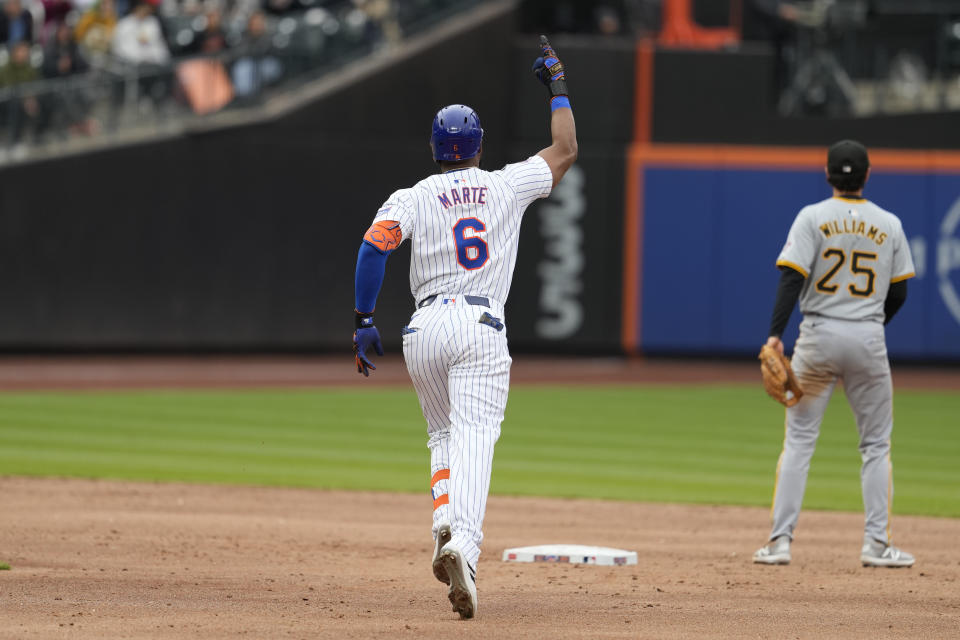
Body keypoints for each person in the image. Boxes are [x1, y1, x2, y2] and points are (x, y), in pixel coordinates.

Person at [351, 36, 577, 618]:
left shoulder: (413, 195)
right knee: (476, 436)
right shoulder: (506, 183)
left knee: (442, 437)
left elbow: (373, 249)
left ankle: (443, 522)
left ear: (434, 147)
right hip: (480, 323)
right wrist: (556, 84)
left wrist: (363, 319)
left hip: (422, 329)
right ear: (478, 147)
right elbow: (566, 148)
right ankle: (463, 547)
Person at [753, 140, 916, 568]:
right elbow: (898, 291)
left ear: (828, 175)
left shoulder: (813, 217)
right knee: (876, 445)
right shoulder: (889, 223)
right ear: (866, 176)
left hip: (818, 336)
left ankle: (780, 543)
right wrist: (871, 326)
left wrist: (774, 335)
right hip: (866, 337)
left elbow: (791, 278)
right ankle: (876, 545)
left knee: (799, 443)